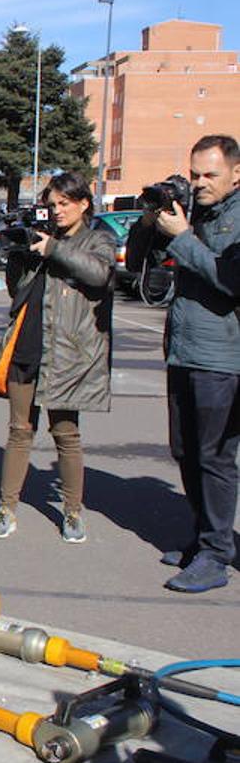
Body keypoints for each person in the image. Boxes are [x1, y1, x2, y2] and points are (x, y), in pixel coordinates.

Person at [0, 173, 114, 544]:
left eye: (64, 204)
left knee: (66, 434)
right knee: (19, 431)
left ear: (83, 203)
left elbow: (100, 274)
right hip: (28, 345)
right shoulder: (42, 236)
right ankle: (6, 507)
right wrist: (19, 256)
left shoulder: (97, 238)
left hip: (70, 352)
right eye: (52, 204)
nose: (57, 211)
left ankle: (73, 512)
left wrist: (54, 249)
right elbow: (17, 291)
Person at [149, 134, 240, 593]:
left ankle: (216, 553)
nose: (199, 183)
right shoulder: (197, 210)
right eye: (195, 174)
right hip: (184, 349)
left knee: (216, 457)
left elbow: (231, 281)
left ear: (236, 173)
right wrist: (156, 219)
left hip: (223, 358)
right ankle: (205, 536)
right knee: (185, 451)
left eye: (210, 175)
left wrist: (183, 238)